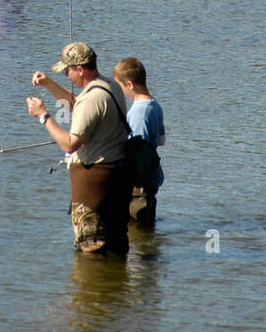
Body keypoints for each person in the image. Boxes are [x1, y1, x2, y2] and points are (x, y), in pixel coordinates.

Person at [27, 43, 131, 255]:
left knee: (91, 254)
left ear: (80, 69)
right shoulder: (109, 86)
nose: (66, 74)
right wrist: (48, 83)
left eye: (67, 70)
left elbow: (69, 144)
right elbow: (78, 105)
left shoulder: (91, 99)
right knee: (115, 251)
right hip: (118, 183)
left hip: (94, 190)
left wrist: (43, 116)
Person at [113, 57, 165, 228]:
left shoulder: (139, 113)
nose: (118, 91)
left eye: (119, 86)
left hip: (140, 183)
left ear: (129, 84)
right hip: (152, 177)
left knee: (136, 234)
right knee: (146, 230)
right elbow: (161, 139)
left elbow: (137, 152)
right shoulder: (154, 105)